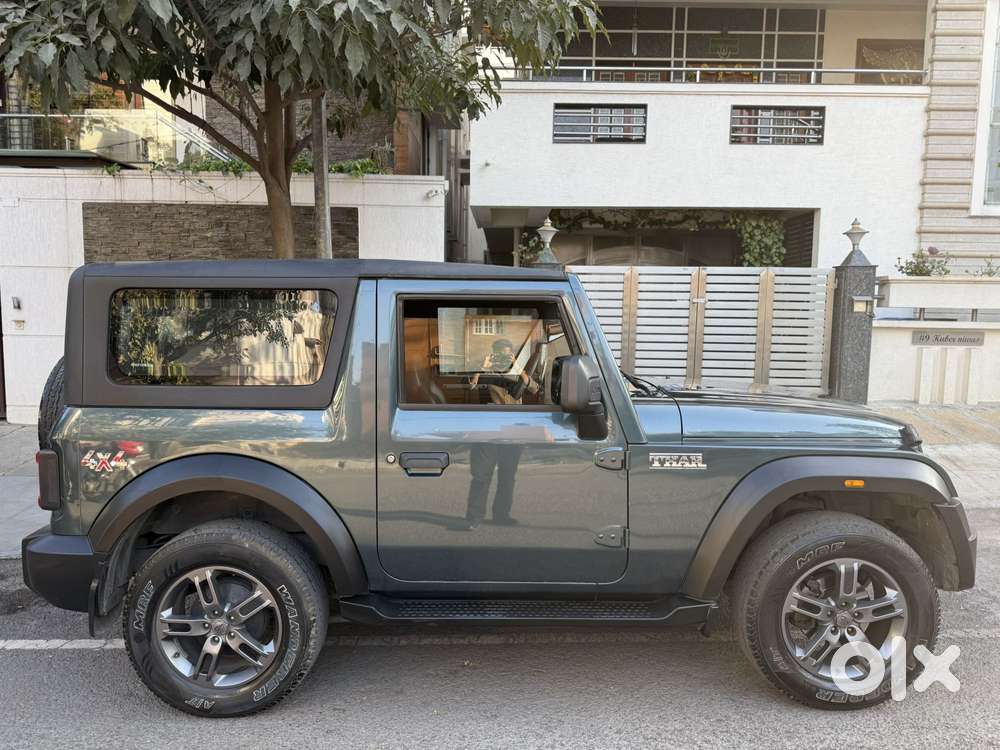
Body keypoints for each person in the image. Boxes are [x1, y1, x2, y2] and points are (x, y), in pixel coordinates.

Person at [462, 338, 542, 530]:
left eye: (507, 354)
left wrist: (517, 367)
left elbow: (534, 389)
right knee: (482, 475)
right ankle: (474, 518)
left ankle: (501, 515)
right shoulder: (484, 372)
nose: (503, 358)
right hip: (488, 429)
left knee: (507, 476)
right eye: (500, 354)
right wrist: (483, 367)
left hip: (513, 430)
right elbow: (469, 387)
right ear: (493, 354)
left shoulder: (517, 373)